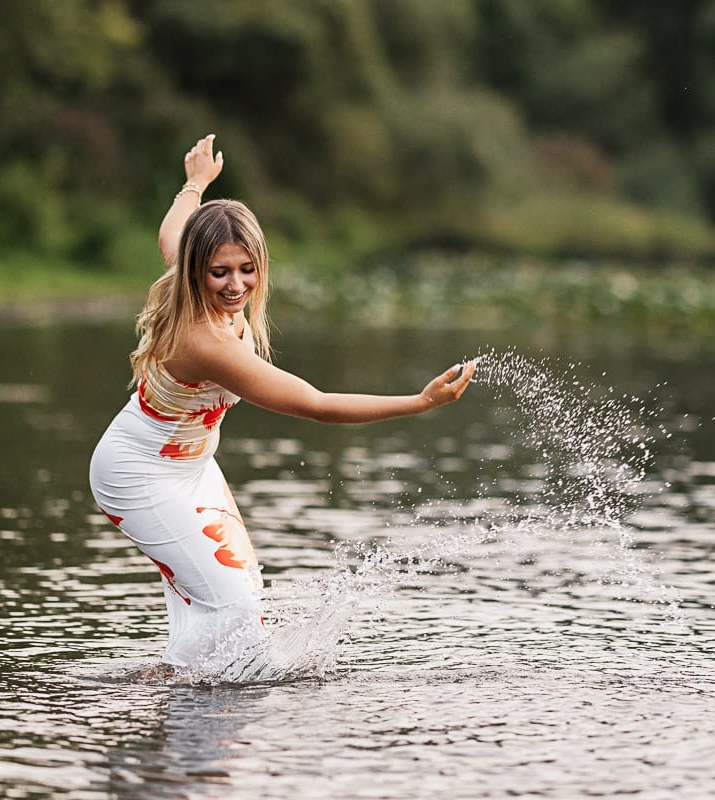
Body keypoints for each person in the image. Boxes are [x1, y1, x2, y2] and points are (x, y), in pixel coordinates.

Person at [89, 134, 475, 672]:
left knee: (236, 586)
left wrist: (195, 184)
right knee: (234, 605)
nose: (235, 285)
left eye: (246, 269)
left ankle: (187, 711)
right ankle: (162, 690)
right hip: (136, 474)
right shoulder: (207, 342)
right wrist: (417, 402)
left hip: (191, 467)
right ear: (198, 268)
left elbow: (173, 230)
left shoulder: (193, 272)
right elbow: (315, 404)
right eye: (220, 272)